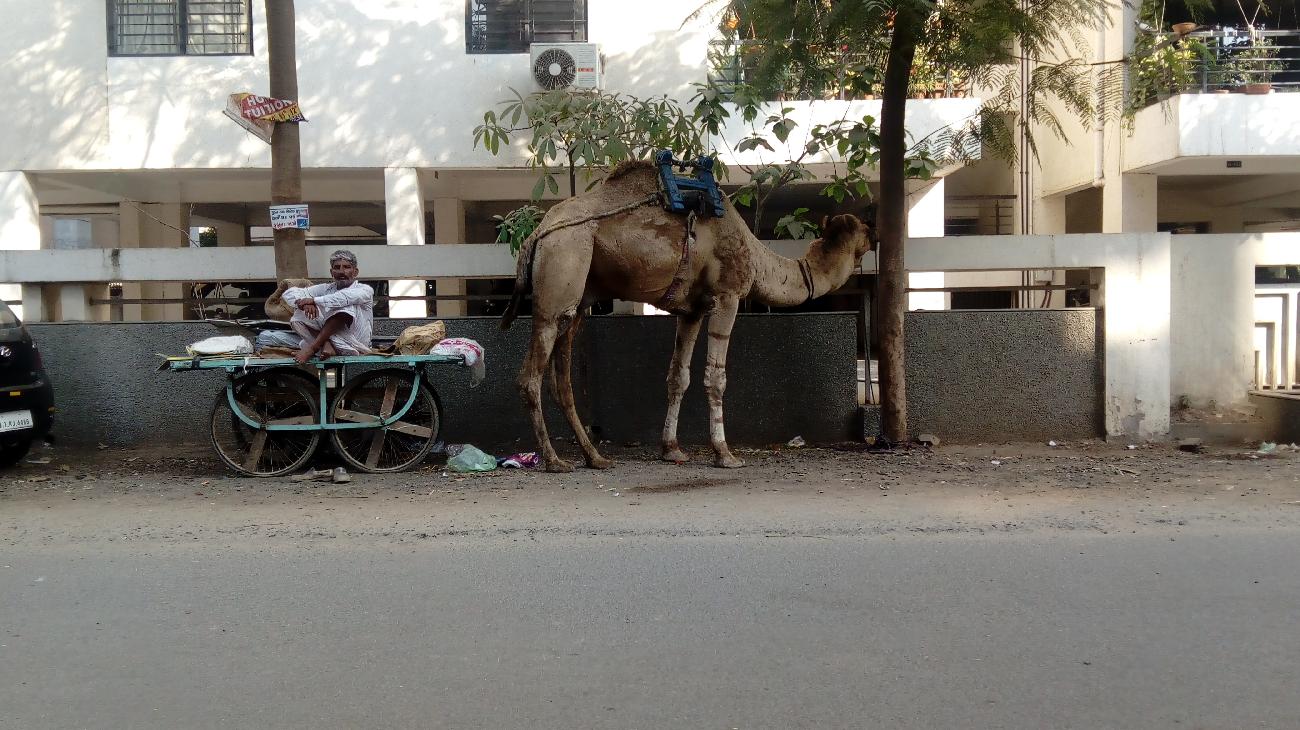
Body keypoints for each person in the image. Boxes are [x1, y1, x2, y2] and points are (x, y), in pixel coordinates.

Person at [256, 249, 374, 364]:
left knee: (344, 305)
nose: (341, 271)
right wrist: (304, 303)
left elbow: (342, 298)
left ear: (355, 272)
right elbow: (289, 293)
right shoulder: (326, 288)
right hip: (331, 343)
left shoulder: (365, 290)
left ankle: (314, 347)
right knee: (299, 313)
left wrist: (314, 301)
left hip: (356, 345)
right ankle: (326, 344)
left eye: (346, 267)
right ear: (331, 272)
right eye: (337, 267)